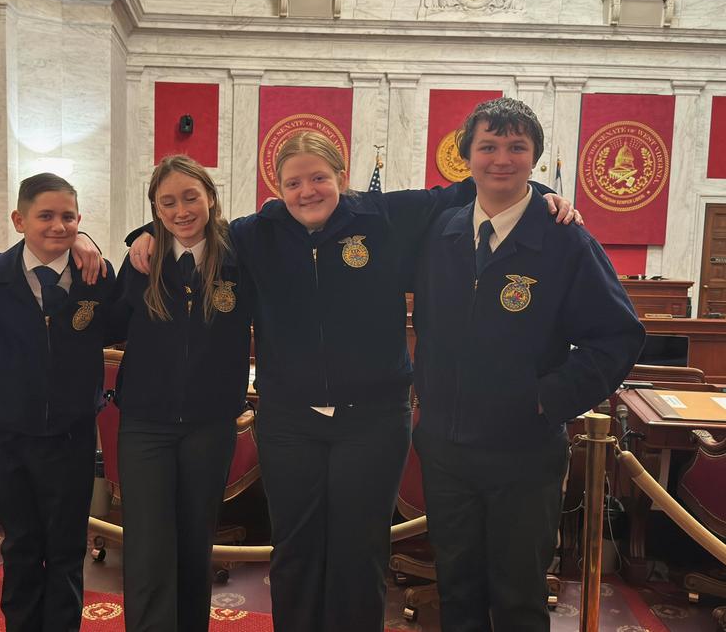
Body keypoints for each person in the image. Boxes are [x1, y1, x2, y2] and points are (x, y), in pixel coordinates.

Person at [127, 131, 578, 632]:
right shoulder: (256, 233)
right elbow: (192, 221)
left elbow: (467, 188)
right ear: (276, 186)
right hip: (289, 421)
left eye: (319, 178)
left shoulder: (384, 217)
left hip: (374, 420)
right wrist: (140, 233)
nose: (307, 191)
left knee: (359, 552)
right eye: (293, 182)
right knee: (294, 551)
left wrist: (539, 196)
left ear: (341, 176)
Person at [411, 97, 645, 631]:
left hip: (524, 452)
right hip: (447, 451)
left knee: (518, 596)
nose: (501, 158)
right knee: (457, 587)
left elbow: (618, 335)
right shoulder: (438, 236)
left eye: (517, 147)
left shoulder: (564, 241)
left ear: (535, 157)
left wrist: (547, 399)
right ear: (467, 156)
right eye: (488, 146)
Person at [110, 155, 253, 632]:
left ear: (211, 197)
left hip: (210, 425)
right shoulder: (141, 263)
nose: (181, 210)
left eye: (190, 197)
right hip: (146, 426)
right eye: (167, 202)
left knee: (195, 544)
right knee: (149, 547)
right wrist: (131, 237)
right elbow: (109, 323)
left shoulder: (240, 259)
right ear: (154, 209)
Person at [0, 172, 116, 632]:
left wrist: (90, 242)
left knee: (66, 547)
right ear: (19, 219)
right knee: (20, 544)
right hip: (10, 432)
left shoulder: (97, 275)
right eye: (46, 216)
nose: (59, 226)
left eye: (69, 217)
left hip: (71, 435)